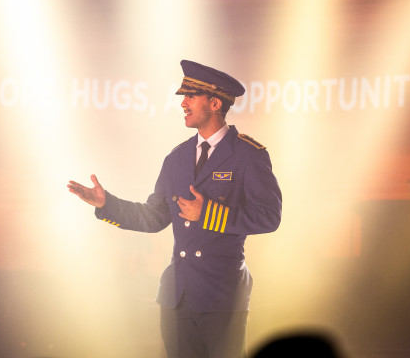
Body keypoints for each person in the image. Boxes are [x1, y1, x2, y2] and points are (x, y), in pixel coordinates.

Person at [68, 60, 282, 358]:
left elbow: (269, 216)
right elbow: (154, 217)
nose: (183, 103)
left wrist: (207, 214)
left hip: (221, 293)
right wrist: (108, 205)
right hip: (177, 294)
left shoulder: (248, 154)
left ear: (215, 103)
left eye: (191, 96)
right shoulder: (177, 158)